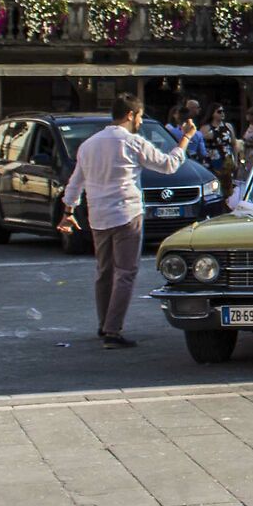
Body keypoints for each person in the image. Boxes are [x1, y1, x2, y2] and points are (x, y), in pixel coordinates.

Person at [58, 95, 191, 348]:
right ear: (130, 115)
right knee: (125, 273)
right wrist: (185, 138)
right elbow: (168, 165)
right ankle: (112, 330)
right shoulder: (132, 142)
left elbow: (75, 182)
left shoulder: (89, 145)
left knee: (104, 272)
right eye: (140, 115)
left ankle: (103, 323)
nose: (140, 121)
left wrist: (68, 211)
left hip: (98, 215)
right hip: (126, 213)